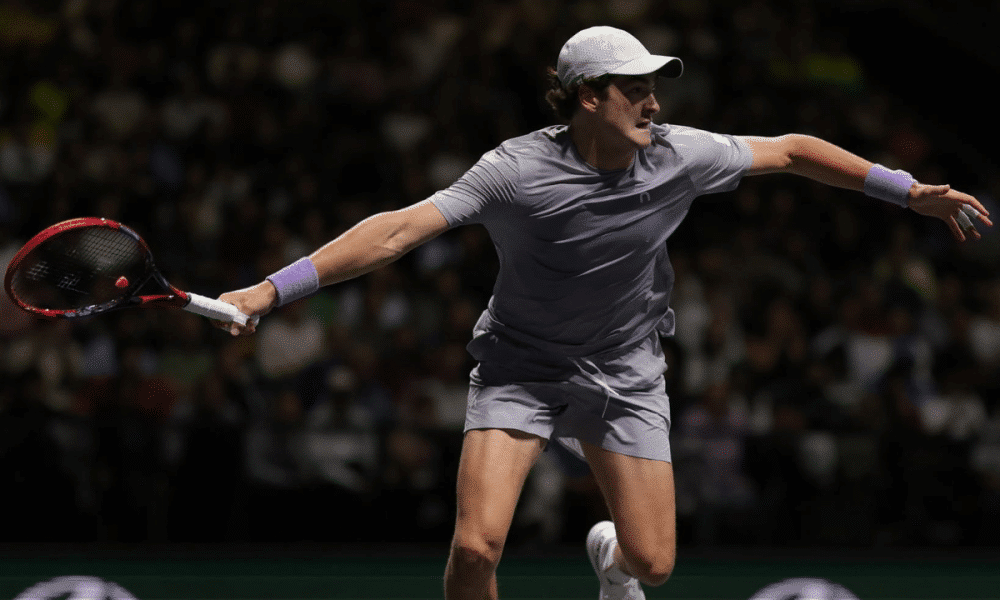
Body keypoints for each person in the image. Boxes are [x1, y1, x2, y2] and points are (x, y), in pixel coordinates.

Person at [215, 25, 991, 600]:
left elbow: (789, 150)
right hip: (521, 363)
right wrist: (265, 292)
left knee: (652, 564)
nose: (654, 102)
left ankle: (609, 562)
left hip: (625, 367)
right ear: (589, 97)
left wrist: (906, 190)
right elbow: (396, 231)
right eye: (635, 89)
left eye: (656, 86)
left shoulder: (680, 153)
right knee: (477, 548)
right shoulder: (515, 171)